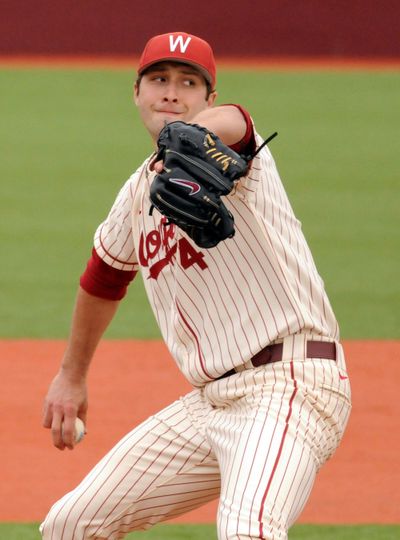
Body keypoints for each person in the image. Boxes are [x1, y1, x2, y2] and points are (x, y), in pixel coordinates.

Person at [40, 31, 351, 540]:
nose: (170, 92)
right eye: (158, 79)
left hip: (289, 384)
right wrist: (71, 376)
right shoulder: (138, 191)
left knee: (247, 530)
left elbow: (239, 120)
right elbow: (104, 275)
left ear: (208, 97)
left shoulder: (233, 154)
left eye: (188, 82)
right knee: (70, 525)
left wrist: (197, 135)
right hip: (211, 402)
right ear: (136, 92)